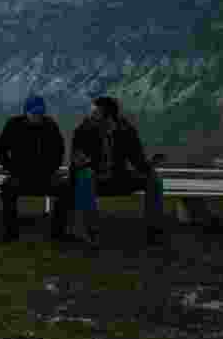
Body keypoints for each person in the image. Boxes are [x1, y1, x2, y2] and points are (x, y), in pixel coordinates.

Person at [65, 96, 167, 247]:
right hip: (94, 179)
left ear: (108, 116)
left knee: (153, 179)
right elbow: (75, 162)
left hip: (119, 178)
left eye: (95, 113)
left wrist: (150, 164)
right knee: (86, 175)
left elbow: (137, 160)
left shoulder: (126, 131)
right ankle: (89, 230)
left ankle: (155, 229)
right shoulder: (83, 131)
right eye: (92, 112)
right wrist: (81, 164)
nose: (90, 116)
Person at [0, 94, 68, 242]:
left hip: (45, 175)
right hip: (19, 175)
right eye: (34, 113)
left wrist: (50, 170)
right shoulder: (13, 124)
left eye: (40, 113)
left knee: (63, 188)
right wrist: (12, 169)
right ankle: (10, 232)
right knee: (7, 187)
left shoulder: (50, 125)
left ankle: (58, 232)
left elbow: (59, 151)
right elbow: (1, 151)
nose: (37, 116)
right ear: (26, 111)